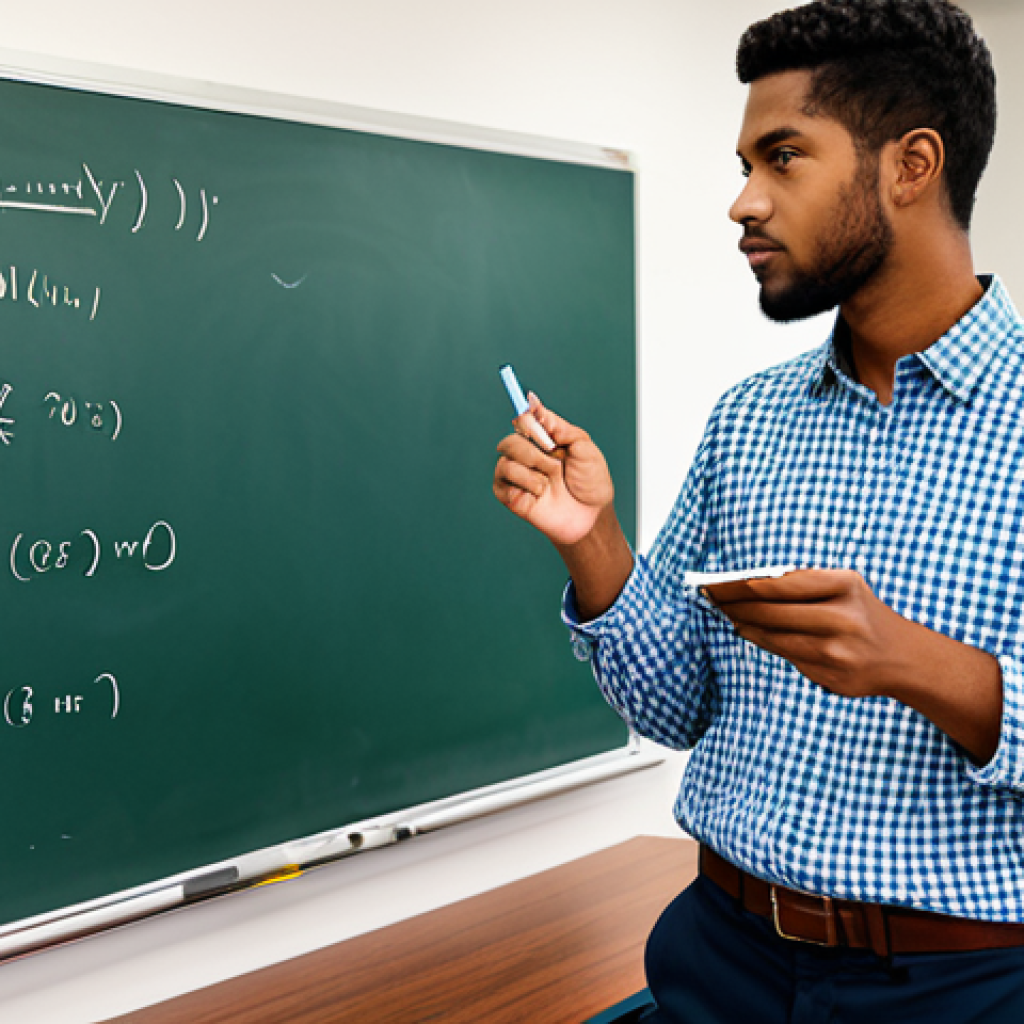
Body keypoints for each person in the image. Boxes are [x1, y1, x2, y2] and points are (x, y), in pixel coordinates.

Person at [492, 1, 1024, 1020]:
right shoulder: (750, 421)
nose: (743, 201)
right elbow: (677, 704)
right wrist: (594, 543)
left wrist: (911, 661)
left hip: (959, 985)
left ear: (910, 165)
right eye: (745, 163)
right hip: (718, 956)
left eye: (782, 158)